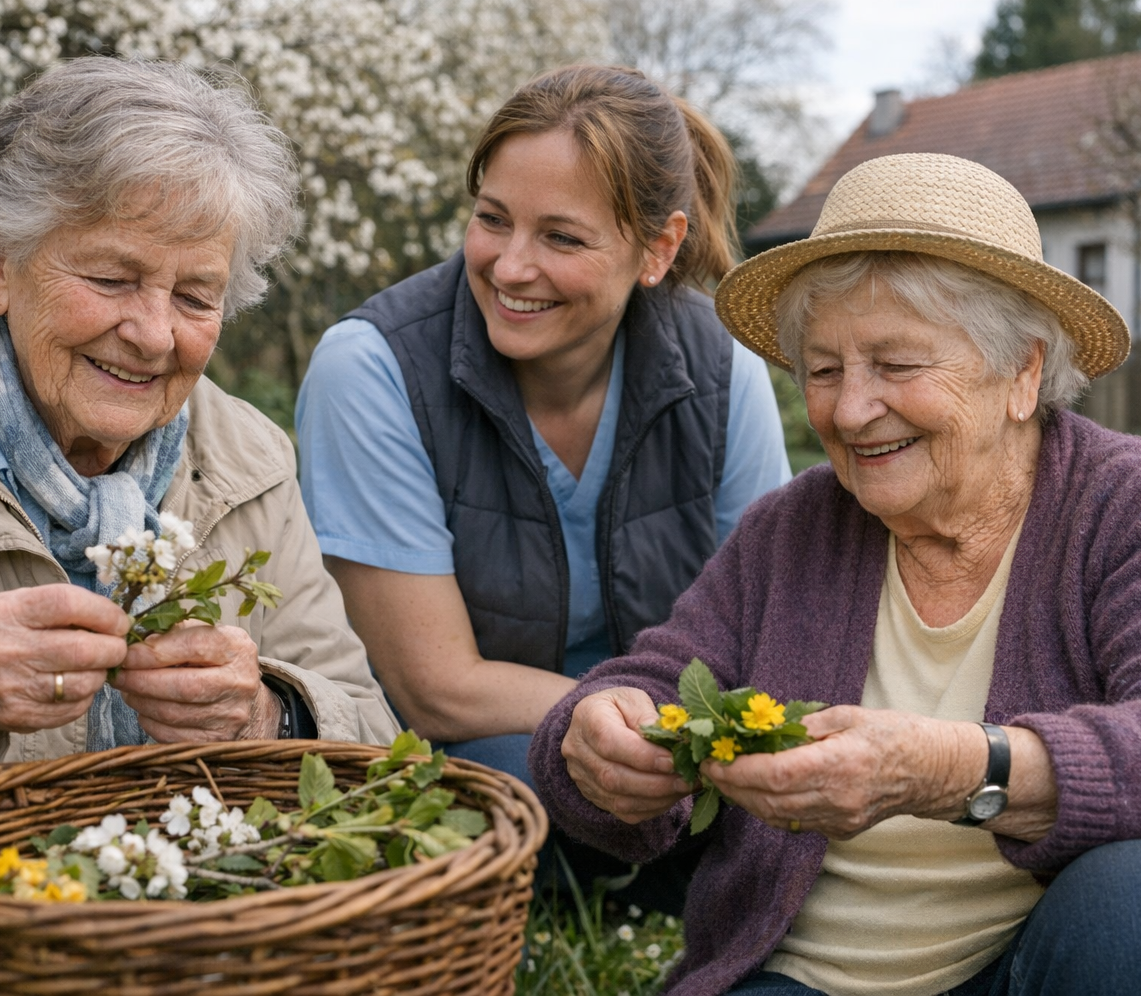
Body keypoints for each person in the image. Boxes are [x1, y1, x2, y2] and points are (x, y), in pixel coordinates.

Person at [530, 152, 1141, 996]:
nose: (851, 411)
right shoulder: (793, 528)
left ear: (1022, 372)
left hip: (1050, 966)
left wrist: (951, 770)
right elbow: (653, 681)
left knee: (1138, 901)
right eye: (824, 370)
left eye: (896, 366)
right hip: (807, 982)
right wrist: (599, 738)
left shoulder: (1138, 503)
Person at [0, 58, 397, 996]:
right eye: (112, 277)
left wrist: (266, 717)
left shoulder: (248, 454)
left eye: (195, 296)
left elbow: (375, 749)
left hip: (189, 946)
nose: (154, 333)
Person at [295, 65, 792, 903]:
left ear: (658, 249)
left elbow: (768, 626)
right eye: (492, 219)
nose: (511, 267)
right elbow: (436, 689)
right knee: (502, 795)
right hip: (479, 746)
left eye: (561, 238)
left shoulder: (722, 369)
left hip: (665, 749)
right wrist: (632, 726)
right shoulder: (372, 370)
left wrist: (672, 744)